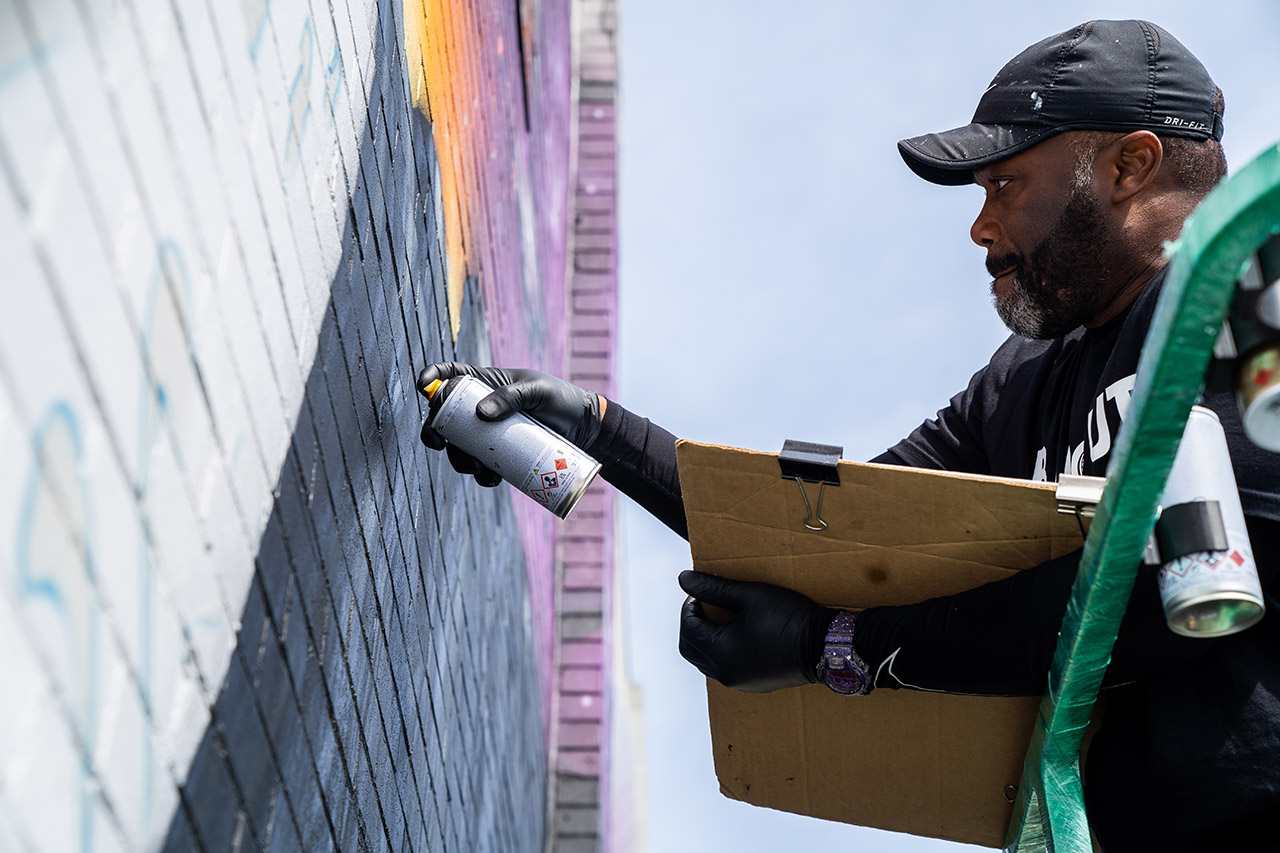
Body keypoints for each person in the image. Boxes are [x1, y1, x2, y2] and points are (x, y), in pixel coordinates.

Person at [418, 20, 1280, 851]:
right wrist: (598, 429)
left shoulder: (1252, 298)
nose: (981, 228)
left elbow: (1180, 587)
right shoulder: (1019, 384)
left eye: (1005, 184)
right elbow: (828, 530)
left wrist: (834, 647)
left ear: (1131, 163)